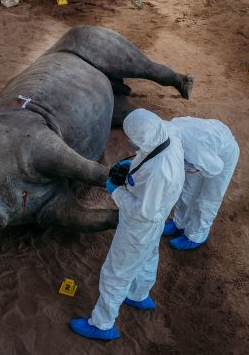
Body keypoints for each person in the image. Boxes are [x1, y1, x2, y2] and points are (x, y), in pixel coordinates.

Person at [69, 109, 185, 341]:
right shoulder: (167, 136)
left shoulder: (159, 172)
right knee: (149, 254)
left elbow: (142, 212)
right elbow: (148, 156)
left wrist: (117, 191)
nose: (129, 141)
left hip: (139, 227)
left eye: (132, 138)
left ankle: (102, 324)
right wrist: (130, 163)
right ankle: (139, 294)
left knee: (116, 272)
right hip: (157, 219)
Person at [162, 117, 240, 250]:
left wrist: (191, 169)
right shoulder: (169, 130)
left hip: (221, 157)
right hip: (203, 148)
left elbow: (214, 169)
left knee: (208, 198)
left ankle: (196, 235)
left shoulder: (195, 150)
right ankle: (179, 223)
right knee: (188, 190)